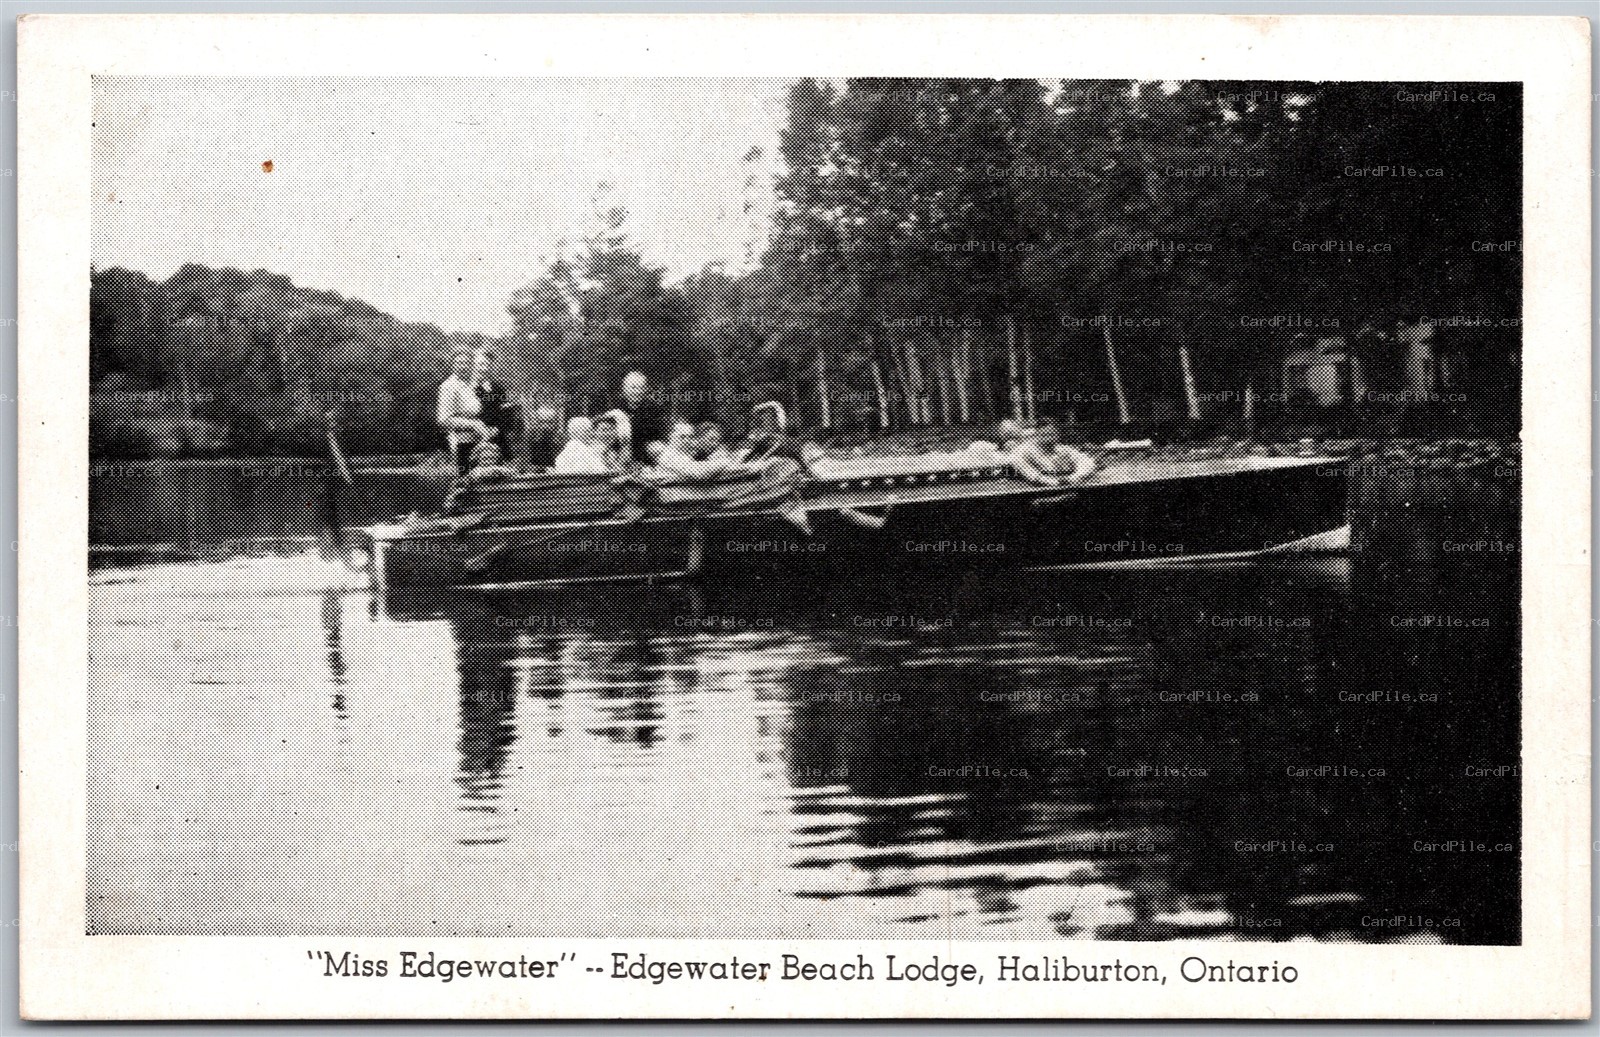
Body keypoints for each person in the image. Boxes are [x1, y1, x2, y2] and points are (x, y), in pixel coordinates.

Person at [438, 347, 492, 477]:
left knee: (485, 482)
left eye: (466, 363)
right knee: (466, 481)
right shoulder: (448, 386)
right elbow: (443, 420)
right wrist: (473, 424)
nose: (462, 366)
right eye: (459, 363)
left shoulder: (471, 385)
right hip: (461, 443)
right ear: (452, 364)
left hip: (481, 443)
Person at [471, 348, 522, 461]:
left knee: (501, 473)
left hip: (498, 438)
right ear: (473, 364)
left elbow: (506, 413)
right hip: (473, 438)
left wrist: (497, 429)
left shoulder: (498, 388)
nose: (484, 368)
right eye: (481, 364)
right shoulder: (467, 387)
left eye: (488, 365)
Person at [1011, 422, 1094, 486]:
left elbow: (1088, 463)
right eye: (1045, 434)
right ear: (1037, 435)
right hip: (1035, 490)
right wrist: (1049, 481)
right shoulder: (1024, 451)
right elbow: (1026, 470)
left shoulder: (1064, 449)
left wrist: (1074, 477)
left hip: (1067, 486)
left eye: (1052, 434)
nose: (1049, 438)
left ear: (1057, 435)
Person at [614, 372, 668, 457]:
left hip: (647, 454)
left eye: (641, 388)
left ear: (646, 389)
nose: (637, 392)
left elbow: (659, 435)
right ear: (624, 389)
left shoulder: (654, 409)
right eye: (633, 388)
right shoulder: (616, 407)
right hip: (618, 452)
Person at [525, 405, 561, 470]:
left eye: (550, 422)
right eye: (542, 422)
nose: (545, 426)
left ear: (555, 423)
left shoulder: (560, 440)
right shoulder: (531, 439)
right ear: (537, 422)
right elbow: (526, 462)